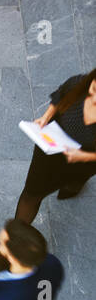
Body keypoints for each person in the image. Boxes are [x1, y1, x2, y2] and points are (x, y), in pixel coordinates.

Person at [11, 68, 96, 226]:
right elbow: (60, 95)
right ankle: (16, 238)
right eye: (95, 89)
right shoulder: (79, 84)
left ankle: (72, 187)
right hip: (51, 146)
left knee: (75, 180)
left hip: (85, 158)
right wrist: (46, 117)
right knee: (32, 193)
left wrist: (83, 157)